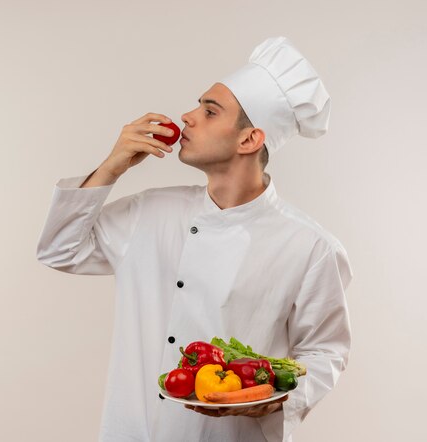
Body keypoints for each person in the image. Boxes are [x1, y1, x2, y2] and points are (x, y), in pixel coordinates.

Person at [36, 36, 353, 442]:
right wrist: (112, 167)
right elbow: (58, 248)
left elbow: (326, 351)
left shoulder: (310, 247)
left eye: (209, 110)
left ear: (249, 140)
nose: (187, 116)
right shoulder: (149, 212)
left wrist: (278, 399)